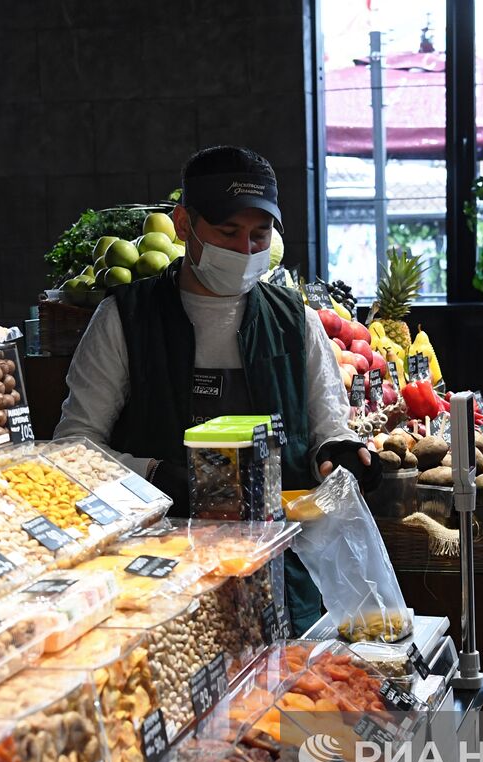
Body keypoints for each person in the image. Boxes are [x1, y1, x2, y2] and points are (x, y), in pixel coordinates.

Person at [55, 145, 380, 631]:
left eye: (259, 234)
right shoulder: (125, 319)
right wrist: (153, 477)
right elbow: (74, 448)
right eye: (228, 232)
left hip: (282, 575)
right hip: (162, 577)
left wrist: (340, 451)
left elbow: (327, 425)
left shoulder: (296, 322)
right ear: (184, 225)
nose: (246, 251)